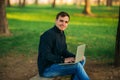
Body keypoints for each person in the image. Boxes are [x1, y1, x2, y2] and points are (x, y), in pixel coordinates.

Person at [37, 11, 90, 80]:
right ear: (56, 21)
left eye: (66, 22)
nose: (63, 24)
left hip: (56, 64)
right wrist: (63, 60)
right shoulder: (47, 35)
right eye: (61, 21)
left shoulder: (61, 33)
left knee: (82, 59)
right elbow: (46, 55)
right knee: (77, 66)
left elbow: (64, 51)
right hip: (47, 69)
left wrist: (75, 56)